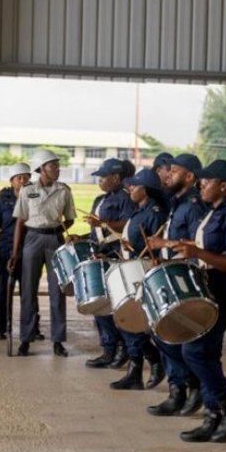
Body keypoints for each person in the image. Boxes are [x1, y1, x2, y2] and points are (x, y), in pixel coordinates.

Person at [170, 159, 226, 443]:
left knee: (193, 351)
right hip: (210, 286)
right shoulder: (213, 212)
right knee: (207, 353)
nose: (201, 185)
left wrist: (198, 253)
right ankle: (213, 415)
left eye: (207, 182)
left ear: (224, 186)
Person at [145, 153, 208, 417]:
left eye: (174, 171)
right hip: (172, 272)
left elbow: (200, 245)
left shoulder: (193, 205)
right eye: (168, 171)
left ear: (190, 176)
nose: (168, 175)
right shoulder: (179, 203)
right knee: (162, 334)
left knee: (175, 336)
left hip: (187, 279)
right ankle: (178, 389)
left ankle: (190, 388)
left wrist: (164, 245)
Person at [8, 149, 76, 358]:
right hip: (32, 239)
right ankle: (26, 339)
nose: (57, 169)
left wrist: (57, 227)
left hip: (55, 240)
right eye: (53, 165)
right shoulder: (27, 191)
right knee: (28, 291)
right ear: (41, 169)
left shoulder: (63, 191)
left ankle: (58, 340)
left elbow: (70, 218)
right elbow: (20, 221)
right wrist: (15, 252)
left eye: (57, 165)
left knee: (58, 291)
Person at [109, 168, 168, 390]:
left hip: (143, 271)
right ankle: (142, 365)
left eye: (134, 186)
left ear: (146, 189)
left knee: (137, 321)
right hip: (132, 267)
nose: (129, 188)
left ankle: (152, 362)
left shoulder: (154, 213)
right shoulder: (139, 211)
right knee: (127, 320)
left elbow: (158, 247)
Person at [82, 158, 136, 369]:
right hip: (98, 254)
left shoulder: (126, 198)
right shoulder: (100, 200)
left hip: (115, 255)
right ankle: (108, 348)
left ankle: (124, 348)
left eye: (103, 178)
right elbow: (94, 231)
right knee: (99, 304)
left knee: (115, 306)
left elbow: (128, 226)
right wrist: (81, 237)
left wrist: (102, 223)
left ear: (116, 177)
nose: (100, 182)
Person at [0, 163, 40, 340]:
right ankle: (2, 325)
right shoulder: (3, 199)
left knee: (29, 290)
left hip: (31, 247)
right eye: (19, 178)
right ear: (12, 181)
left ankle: (33, 327)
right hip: (6, 249)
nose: (24, 180)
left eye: (26, 177)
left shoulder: (35, 195)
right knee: (4, 289)